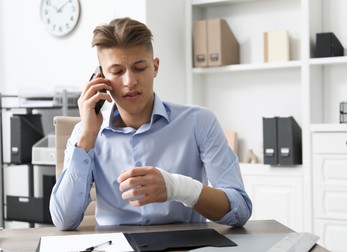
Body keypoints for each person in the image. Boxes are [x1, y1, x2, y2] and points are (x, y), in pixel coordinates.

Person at [49, 17, 252, 230]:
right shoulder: (85, 134)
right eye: (117, 72)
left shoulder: (199, 122)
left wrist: (177, 188)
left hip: (184, 250)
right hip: (115, 251)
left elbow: (240, 210)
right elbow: (63, 221)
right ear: (100, 78)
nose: (130, 81)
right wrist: (87, 137)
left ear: (155, 67)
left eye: (139, 68)